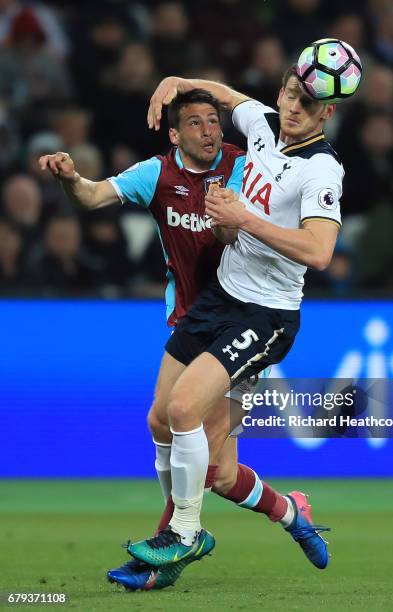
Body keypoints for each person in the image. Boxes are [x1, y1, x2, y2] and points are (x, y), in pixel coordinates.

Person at [38, 88, 323, 591]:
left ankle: (169, 548)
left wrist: (231, 224)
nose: (210, 131)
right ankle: (290, 511)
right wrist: (69, 179)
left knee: (189, 425)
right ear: (175, 135)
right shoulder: (156, 174)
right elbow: (92, 195)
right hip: (195, 317)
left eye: (215, 121)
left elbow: (258, 229)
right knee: (203, 458)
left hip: (247, 319)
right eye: (196, 124)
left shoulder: (245, 165)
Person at [126, 66, 342, 573]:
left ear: (326, 113)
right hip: (220, 297)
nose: (293, 108)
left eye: (307, 105)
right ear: (280, 92)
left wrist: (242, 217)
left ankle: (179, 538)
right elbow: (223, 95)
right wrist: (174, 81)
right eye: (290, 95)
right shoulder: (264, 124)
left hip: (266, 315)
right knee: (205, 459)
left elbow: (320, 251)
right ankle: (291, 513)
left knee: (183, 411)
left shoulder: (322, 170)